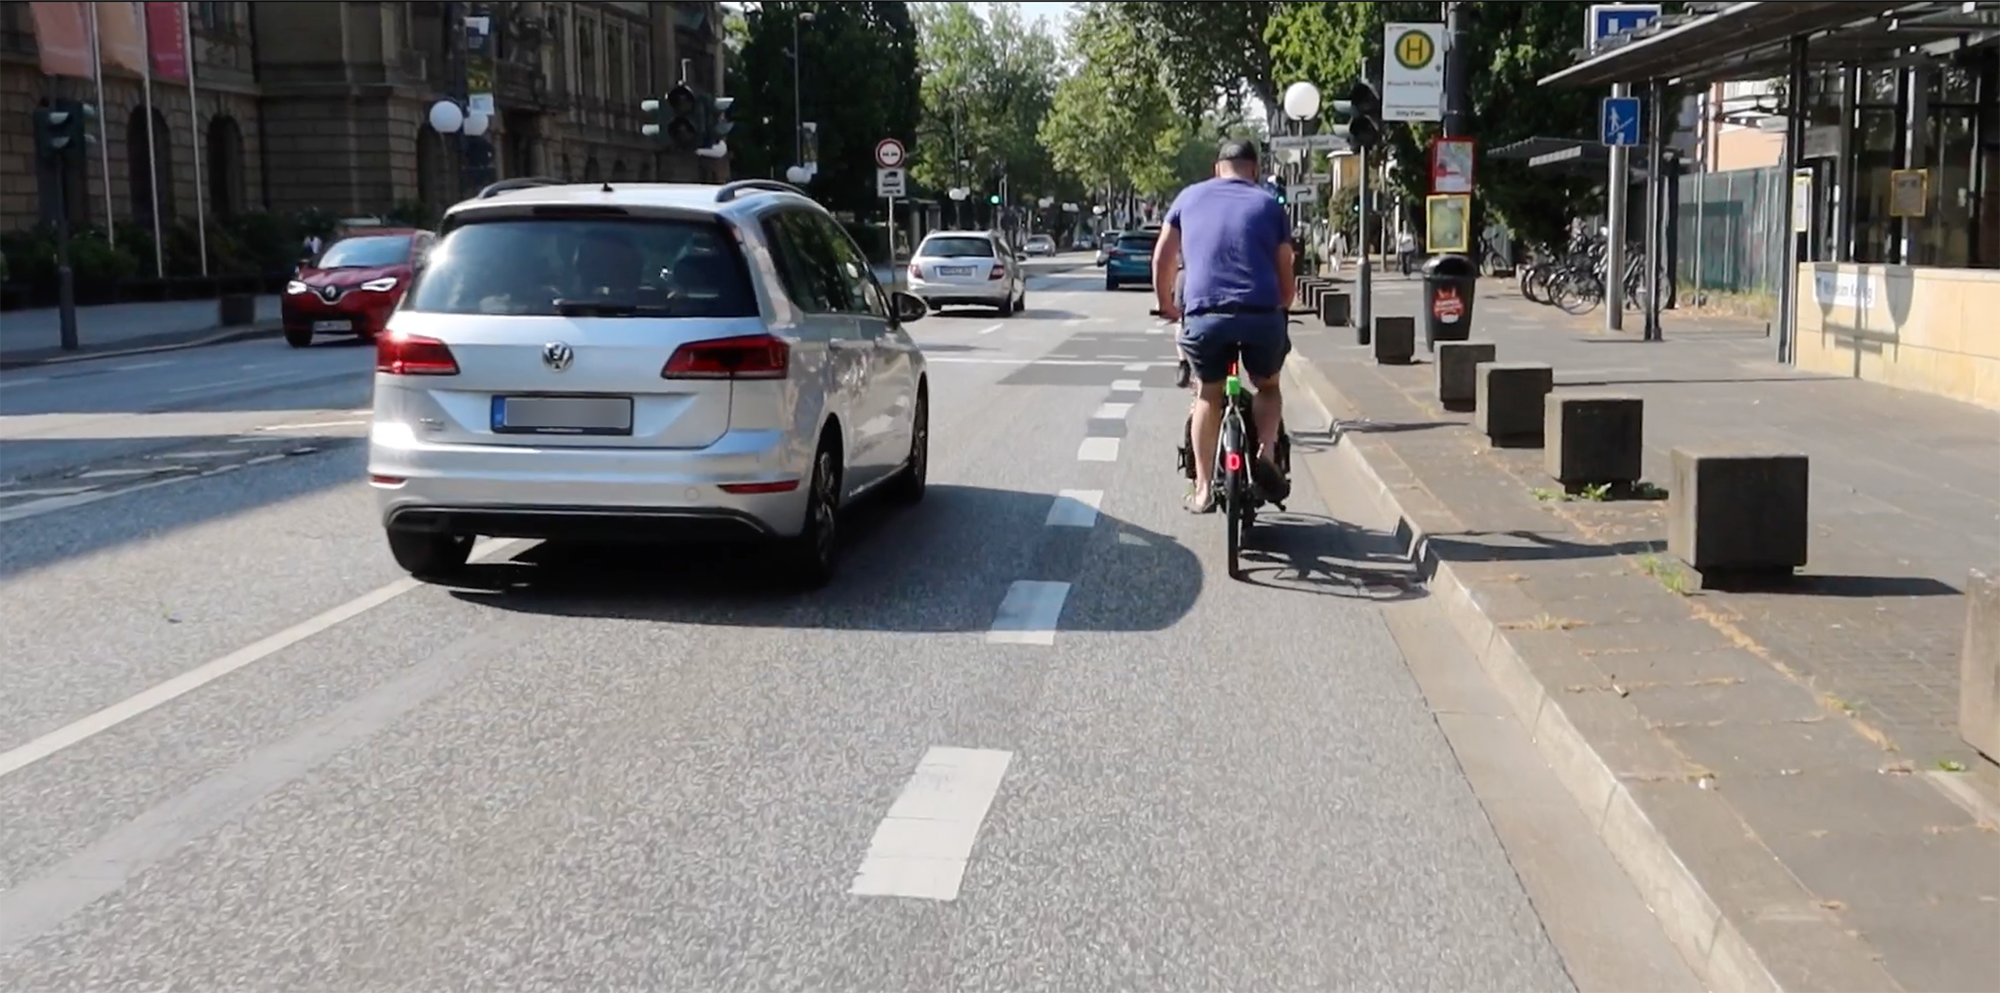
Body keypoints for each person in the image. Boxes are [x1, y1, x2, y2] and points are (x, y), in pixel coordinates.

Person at [1152, 140, 1295, 514]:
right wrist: (1283, 304)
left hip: (1205, 316)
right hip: (1260, 314)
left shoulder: (1188, 198)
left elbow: (1164, 256)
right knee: (1267, 384)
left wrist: (1167, 304)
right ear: (1255, 169)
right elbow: (1285, 268)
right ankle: (1265, 450)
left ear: (1218, 168)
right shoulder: (1269, 204)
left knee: (1208, 395)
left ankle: (1202, 488)